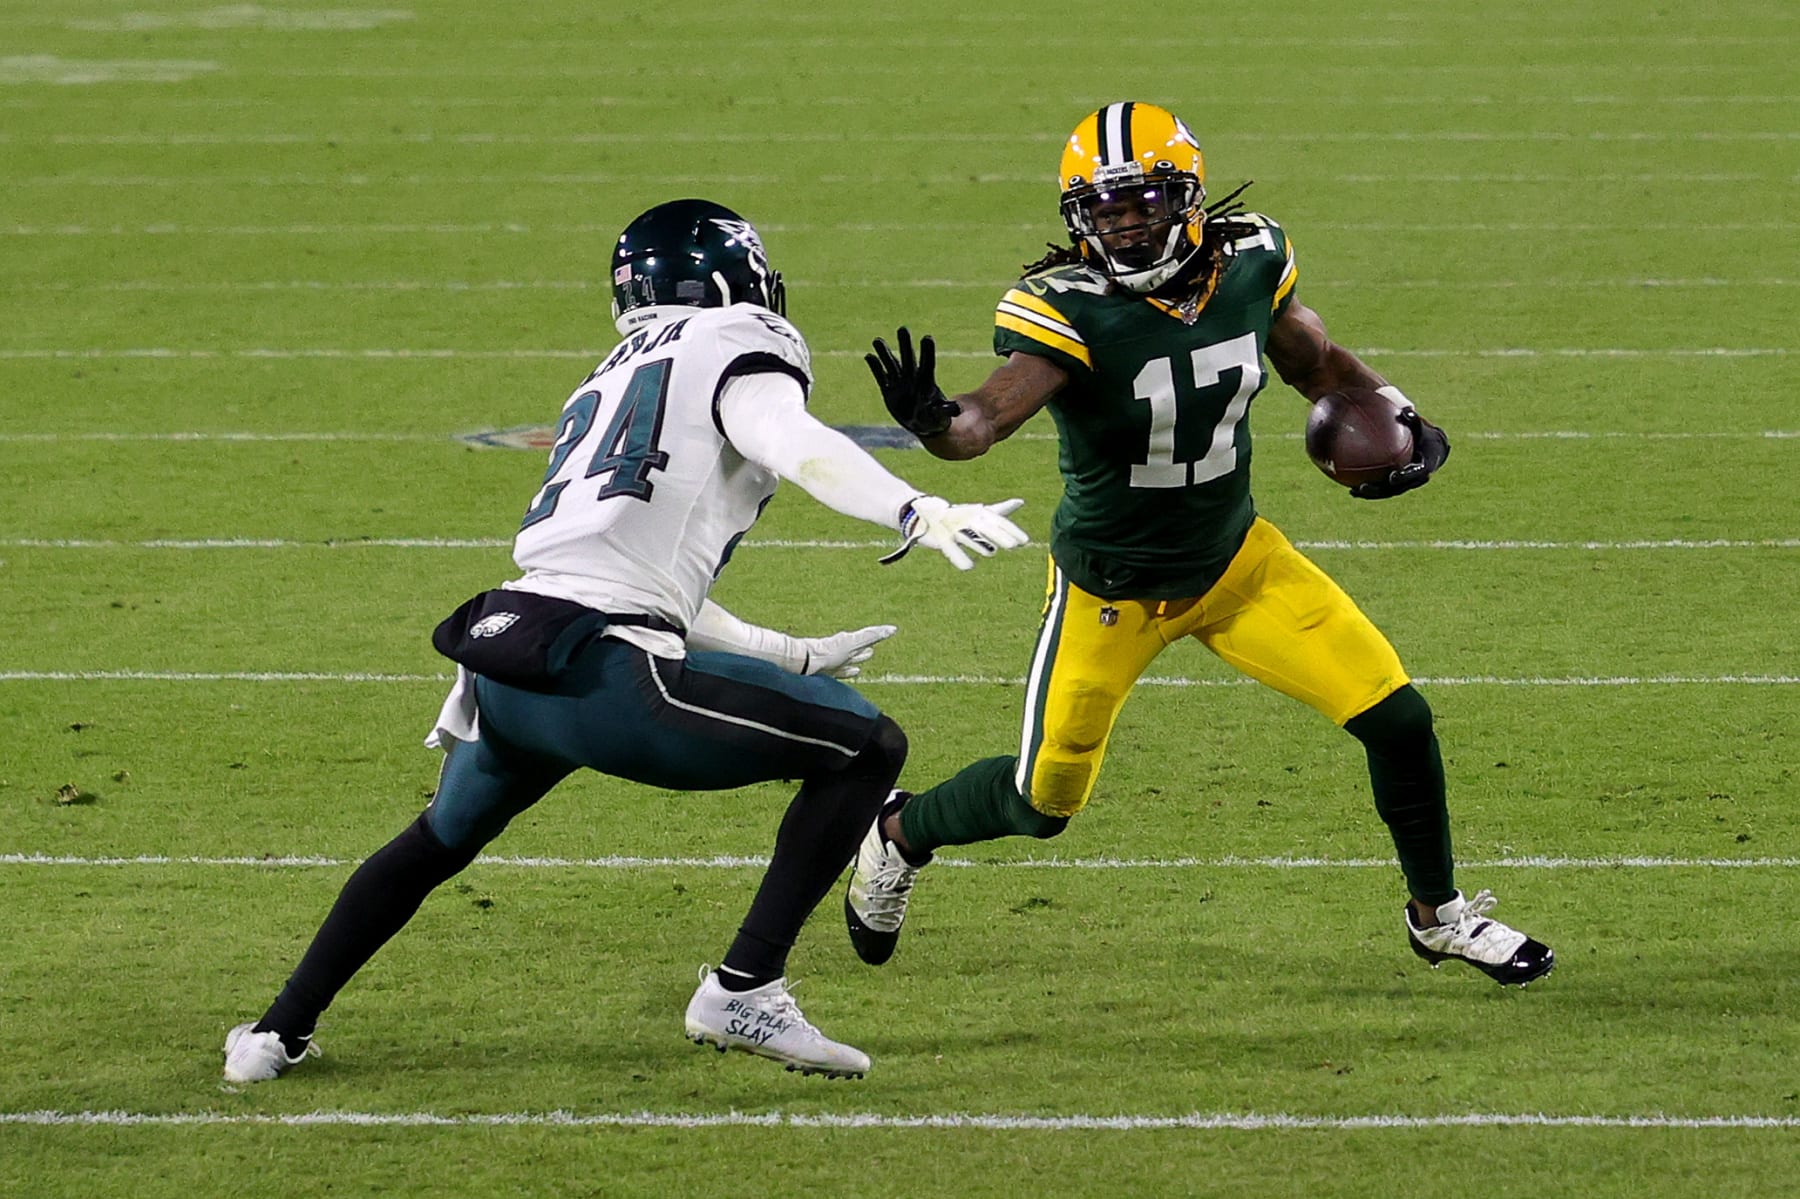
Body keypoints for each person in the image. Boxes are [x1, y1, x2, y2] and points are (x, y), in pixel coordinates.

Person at [221, 198, 1030, 1084]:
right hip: (606, 678)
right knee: (868, 747)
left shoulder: (608, 375)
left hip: (513, 658)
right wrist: (912, 506)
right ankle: (743, 987)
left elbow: (634, 576)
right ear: (737, 281)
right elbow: (790, 440)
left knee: (434, 841)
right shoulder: (738, 340)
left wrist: (794, 653)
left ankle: (273, 1032)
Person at [844, 101, 1554, 988]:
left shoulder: (1252, 259)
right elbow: (988, 417)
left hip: (1237, 563)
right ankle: (900, 832)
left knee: (1400, 719)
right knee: (1041, 803)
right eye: (1107, 212)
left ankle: (1439, 916)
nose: (1128, 228)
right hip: (1113, 591)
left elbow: (1316, 363)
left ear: (1189, 197)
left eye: (1143, 204)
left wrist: (1402, 413)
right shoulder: (1065, 306)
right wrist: (936, 423)